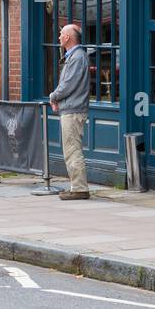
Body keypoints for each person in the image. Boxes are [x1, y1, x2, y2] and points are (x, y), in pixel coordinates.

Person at [49, 23, 91, 200]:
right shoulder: (74, 56)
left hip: (73, 110)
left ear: (67, 38)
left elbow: (68, 84)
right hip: (71, 108)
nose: (59, 37)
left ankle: (80, 188)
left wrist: (53, 96)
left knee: (72, 149)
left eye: (61, 34)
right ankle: (76, 186)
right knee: (71, 148)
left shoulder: (77, 57)